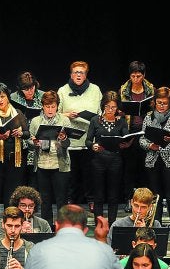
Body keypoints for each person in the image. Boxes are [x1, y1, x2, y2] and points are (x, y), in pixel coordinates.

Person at [0, 82, 29, 241]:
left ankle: (12, 232)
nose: (0, 100)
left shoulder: (17, 113)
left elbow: (27, 133)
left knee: (12, 199)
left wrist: (20, 133)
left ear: (8, 97)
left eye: (2, 96)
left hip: (14, 162)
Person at [140, 87, 170, 242]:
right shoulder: (149, 116)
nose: (162, 106)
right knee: (155, 197)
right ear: (154, 102)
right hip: (152, 160)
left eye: (165, 103)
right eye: (159, 103)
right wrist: (149, 145)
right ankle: (156, 227)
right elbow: (142, 139)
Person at [57, 61, 102, 206]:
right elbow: (55, 114)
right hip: (70, 140)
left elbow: (100, 113)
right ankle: (70, 200)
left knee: (90, 173)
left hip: (89, 139)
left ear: (86, 75)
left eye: (81, 72)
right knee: (71, 174)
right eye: (75, 72)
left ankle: (91, 200)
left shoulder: (95, 89)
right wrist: (67, 115)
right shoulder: (62, 90)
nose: (78, 75)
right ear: (71, 74)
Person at [85, 90, 130, 225]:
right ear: (103, 105)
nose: (110, 110)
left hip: (115, 159)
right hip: (98, 160)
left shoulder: (121, 121)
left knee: (113, 195)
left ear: (117, 108)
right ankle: (99, 225)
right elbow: (88, 140)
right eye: (107, 106)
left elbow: (126, 138)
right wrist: (93, 145)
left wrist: (126, 144)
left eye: (113, 107)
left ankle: (112, 225)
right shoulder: (95, 120)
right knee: (98, 195)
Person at [28, 90, 71, 226]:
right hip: (42, 164)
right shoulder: (36, 121)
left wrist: (63, 139)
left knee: (61, 199)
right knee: (44, 199)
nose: (50, 109)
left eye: (53, 106)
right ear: (43, 106)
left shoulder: (64, 120)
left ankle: (62, 227)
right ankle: (46, 228)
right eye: (47, 106)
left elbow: (68, 144)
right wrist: (34, 143)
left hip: (60, 165)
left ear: (57, 106)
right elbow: (29, 141)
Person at [119, 61, 155, 210]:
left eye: (139, 76)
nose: (136, 79)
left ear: (144, 75)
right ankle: (129, 198)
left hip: (146, 131)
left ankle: (146, 200)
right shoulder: (124, 90)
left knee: (146, 168)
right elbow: (120, 111)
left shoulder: (150, 90)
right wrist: (122, 112)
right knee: (130, 168)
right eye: (133, 76)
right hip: (131, 131)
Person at [10, 71, 44, 189]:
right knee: (20, 175)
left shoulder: (42, 96)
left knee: (35, 176)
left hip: (37, 137)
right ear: (20, 89)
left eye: (32, 87)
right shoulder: (13, 97)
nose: (30, 91)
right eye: (26, 89)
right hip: (20, 140)